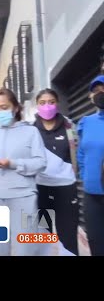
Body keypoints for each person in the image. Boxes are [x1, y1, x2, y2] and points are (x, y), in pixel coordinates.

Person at [0, 88, 46, 256]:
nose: (0, 112)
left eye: (4, 107)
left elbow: (41, 163)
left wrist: (12, 163)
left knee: (26, 249)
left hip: (23, 197)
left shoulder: (31, 132)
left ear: (15, 108)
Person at [33, 88, 79, 256]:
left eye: (51, 102)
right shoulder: (31, 130)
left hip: (65, 189)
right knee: (40, 236)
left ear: (57, 104)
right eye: (42, 102)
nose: (47, 106)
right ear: (37, 105)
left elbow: (78, 151)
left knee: (68, 236)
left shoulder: (69, 126)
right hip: (39, 190)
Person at [77, 74, 104, 256]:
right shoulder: (85, 122)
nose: (100, 93)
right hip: (92, 194)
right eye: (96, 90)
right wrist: (87, 177)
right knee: (96, 243)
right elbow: (81, 154)